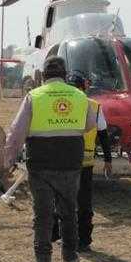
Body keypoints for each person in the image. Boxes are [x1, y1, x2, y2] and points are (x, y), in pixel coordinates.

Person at [4, 56, 89, 262]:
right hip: (71, 163)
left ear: (43, 74)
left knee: (42, 217)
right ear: (64, 73)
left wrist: (9, 158)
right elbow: (89, 124)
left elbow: (17, 130)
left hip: (40, 164)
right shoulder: (80, 96)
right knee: (69, 212)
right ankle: (70, 259)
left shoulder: (34, 96)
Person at [52, 72, 112, 251]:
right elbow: (103, 135)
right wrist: (108, 159)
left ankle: (57, 233)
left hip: (63, 161)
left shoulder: (60, 104)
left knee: (61, 198)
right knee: (83, 202)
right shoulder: (94, 106)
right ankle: (83, 239)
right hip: (85, 162)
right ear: (84, 87)